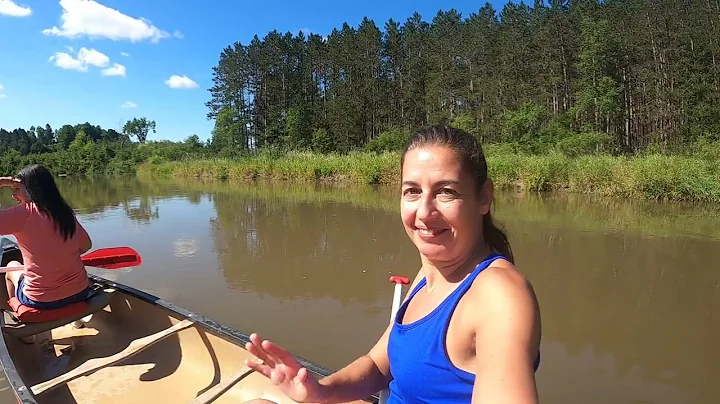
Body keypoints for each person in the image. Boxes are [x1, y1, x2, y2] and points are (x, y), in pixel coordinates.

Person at [244, 125, 542, 403]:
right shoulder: (430, 274)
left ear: (484, 198)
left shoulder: (499, 295)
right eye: (412, 191)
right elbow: (376, 366)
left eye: (446, 191)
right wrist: (318, 391)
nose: (424, 212)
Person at [0, 164, 93, 312]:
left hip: (40, 300)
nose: (13, 195)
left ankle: (18, 314)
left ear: (31, 189)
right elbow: (86, 246)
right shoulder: (64, 211)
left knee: (11, 265)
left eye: (17, 189)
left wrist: (1, 182)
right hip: (81, 292)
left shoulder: (23, 213)